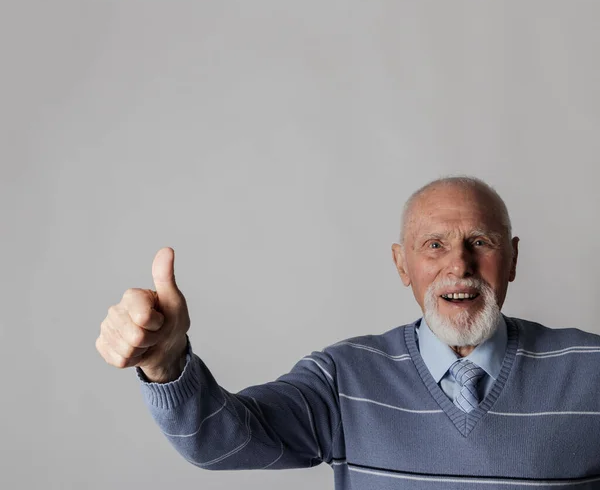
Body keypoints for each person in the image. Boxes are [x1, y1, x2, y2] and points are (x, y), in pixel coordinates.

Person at [96, 176, 600, 489]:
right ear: (402, 265)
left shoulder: (589, 369)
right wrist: (165, 365)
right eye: (434, 245)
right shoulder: (343, 379)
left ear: (511, 258)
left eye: (480, 242)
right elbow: (218, 441)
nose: (459, 265)